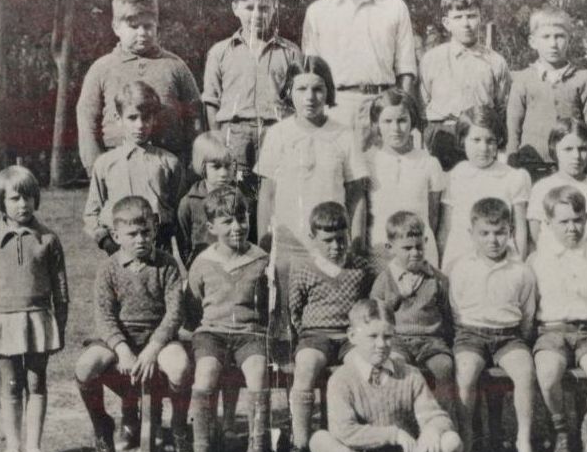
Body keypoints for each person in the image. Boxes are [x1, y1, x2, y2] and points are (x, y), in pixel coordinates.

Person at [309, 299, 463, 452]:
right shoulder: (341, 379)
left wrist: (431, 430)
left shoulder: (409, 374)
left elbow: (436, 415)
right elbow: (345, 432)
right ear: (352, 336)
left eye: (388, 336)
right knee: (319, 441)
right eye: (372, 336)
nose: (381, 344)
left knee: (451, 441)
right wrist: (393, 434)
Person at [254, 55, 368, 337]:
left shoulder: (344, 135)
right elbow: (267, 194)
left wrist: (354, 240)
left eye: (318, 89)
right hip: (289, 242)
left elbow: (356, 195)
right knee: (282, 317)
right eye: (301, 89)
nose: (310, 97)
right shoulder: (278, 134)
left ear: (328, 91)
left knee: (326, 319)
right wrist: (264, 243)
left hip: (330, 243)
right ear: (289, 93)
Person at [74, 196, 192, 452]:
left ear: (155, 230)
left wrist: (153, 348)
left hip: (158, 338)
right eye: (132, 234)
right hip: (120, 341)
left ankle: (178, 425)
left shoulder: (167, 265)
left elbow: (175, 313)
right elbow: (104, 316)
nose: (140, 239)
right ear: (115, 235)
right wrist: (122, 350)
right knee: (85, 367)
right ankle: (102, 425)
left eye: (146, 232)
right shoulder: (108, 269)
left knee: (180, 367)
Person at [0, 166, 69, 452]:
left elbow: (61, 290)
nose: (22, 204)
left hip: (38, 320)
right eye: (15, 198)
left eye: (28, 197)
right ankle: (13, 448)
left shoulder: (48, 239)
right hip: (2, 322)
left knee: (36, 381)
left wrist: (60, 328)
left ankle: (34, 447)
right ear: (1, 202)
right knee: (11, 383)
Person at [183, 186, 271, 452]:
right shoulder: (203, 262)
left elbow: (271, 305)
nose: (237, 227)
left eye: (242, 218)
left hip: (249, 334)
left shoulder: (261, 260)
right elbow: (193, 305)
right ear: (211, 228)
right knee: (205, 373)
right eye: (227, 221)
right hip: (213, 333)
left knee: (258, 372)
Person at [448, 197, 541, 452]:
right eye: (485, 234)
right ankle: (466, 444)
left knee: (525, 372)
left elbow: (527, 313)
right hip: (471, 333)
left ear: (511, 231)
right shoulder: (461, 267)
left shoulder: (521, 270)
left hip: (508, 336)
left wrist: (518, 340)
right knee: (465, 374)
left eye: (500, 233)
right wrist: (467, 336)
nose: (493, 240)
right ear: (472, 234)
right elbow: (455, 309)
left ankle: (523, 444)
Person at [301, 0, 416, 147]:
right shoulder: (318, 11)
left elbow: (407, 70)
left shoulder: (395, 7)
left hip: (383, 106)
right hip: (336, 107)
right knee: (337, 178)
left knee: (383, 177)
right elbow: (310, 73)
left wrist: (398, 112)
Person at [527, 185, 587, 452]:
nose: (572, 228)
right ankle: (561, 433)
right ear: (548, 223)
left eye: (577, 219)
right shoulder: (538, 259)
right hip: (552, 332)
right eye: (563, 222)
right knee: (548, 373)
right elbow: (529, 308)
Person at [286, 201, 375, 452]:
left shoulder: (360, 268)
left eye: (341, 239)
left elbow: (368, 307)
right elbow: (294, 310)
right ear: (313, 239)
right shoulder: (303, 268)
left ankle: (359, 441)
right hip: (316, 335)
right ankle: (299, 444)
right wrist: (307, 335)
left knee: (365, 369)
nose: (336, 247)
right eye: (327, 241)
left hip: (350, 337)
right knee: (306, 366)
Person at [76, 0, 202, 174]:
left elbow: (196, 116)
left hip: (169, 164)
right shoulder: (102, 69)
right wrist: (95, 167)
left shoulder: (175, 66)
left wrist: (194, 162)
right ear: (116, 27)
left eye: (148, 26)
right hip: (117, 164)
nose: (142, 33)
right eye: (134, 26)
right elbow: (87, 119)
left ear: (157, 25)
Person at [201, 0, 301, 205]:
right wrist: (218, 141)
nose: (257, 14)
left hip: (276, 133)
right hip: (234, 136)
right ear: (235, 8)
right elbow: (212, 102)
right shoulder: (220, 52)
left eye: (264, 7)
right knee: (237, 200)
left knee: (275, 200)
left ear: (274, 8)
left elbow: (297, 102)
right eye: (249, 7)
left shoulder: (290, 52)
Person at [370, 211, 456, 420]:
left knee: (444, 367)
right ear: (390, 248)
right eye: (407, 248)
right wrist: (398, 296)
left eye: (419, 246)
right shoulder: (385, 279)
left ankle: (443, 421)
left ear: (426, 242)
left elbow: (447, 313)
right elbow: (375, 313)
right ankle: (398, 421)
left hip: (431, 341)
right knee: (395, 367)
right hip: (398, 340)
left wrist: (447, 341)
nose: (415, 253)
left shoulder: (436, 279)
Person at [83, 81, 185, 255]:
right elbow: (92, 213)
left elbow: (181, 210)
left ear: (154, 118)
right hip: (119, 247)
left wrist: (169, 230)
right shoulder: (105, 164)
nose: (140, 125)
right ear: (118, 118)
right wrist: (106, 241)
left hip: (158, 244)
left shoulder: (169, 162)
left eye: (146, 118)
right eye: (132, 118)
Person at [419, 0, 511, 171]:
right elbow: (423, 102)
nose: (466, 23)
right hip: (442, 137)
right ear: (447, 22)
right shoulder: (432, 59)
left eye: (471, 16)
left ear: (480, 18)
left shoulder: (495, 61)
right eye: (458, 17)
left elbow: (501, 106)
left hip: (480, 137)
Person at [506, 8, 587, 183]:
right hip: (533, 163)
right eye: (546, 37)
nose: (553, 44)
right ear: (533, 41)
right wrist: (512, 160)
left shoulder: (583, 81)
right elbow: (513, 126)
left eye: (559, 36)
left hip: (571, 165)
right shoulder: (523, 80)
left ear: (569, 40)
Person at [437, 107, 531, 270]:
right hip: (460, 258)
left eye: (490, 141)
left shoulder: (513, 177)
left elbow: (520, 230)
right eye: (476, 140)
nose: (483, 148)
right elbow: (446, 228)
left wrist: (519, 268)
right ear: (462, 140)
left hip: (500, 261)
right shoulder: (454, 176)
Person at [365, 89, 444, 268]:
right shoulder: (368, 162)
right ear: (377, 124)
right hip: (380, 251)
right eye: (387, 121)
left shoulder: (429, 162)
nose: (395, 128)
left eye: (402, 120)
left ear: (412, 121)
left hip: (420, 251)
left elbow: (433, 217)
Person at [527, 117, 587, 252]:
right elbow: (536, 236)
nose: (577, 156)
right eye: (568, 149)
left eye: (582, 149)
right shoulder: (542, 188)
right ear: (554, 149)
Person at [176, 132, 236, 265]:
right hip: (204, 268)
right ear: (203, 167)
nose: (224, 174)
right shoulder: (189, 202)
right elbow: (184, 243)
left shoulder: (241, 199)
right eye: (216, 167)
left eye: (228, 166)